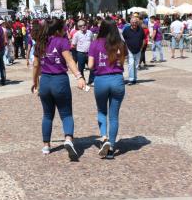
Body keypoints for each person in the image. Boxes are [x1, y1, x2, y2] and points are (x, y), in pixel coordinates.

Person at [31, 18, 86, 160]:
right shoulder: (62, 42)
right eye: (63, 28)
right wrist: (79, 77)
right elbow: (69, 60)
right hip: (60, 81)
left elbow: (36, 65)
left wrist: (35, 82)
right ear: (57, 30)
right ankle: (68, 138)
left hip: (45, 82)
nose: (65, 30)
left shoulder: (40, 43)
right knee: (66, 113)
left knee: (47, 115)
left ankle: (46, 145)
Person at [88, 18, 127, 160]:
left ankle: (104, 137)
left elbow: (91, 65)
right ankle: (111, 148)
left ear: (102, 29)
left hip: (101, 80)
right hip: (117, 79)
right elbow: (122, 61)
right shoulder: (120, 44)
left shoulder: (95, 44)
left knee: (101, 111)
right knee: (114, 116)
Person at [122, 16, 145, 85]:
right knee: (131, 64)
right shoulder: (126, 29)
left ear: (137, 23)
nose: (134, 24)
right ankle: (131, 79)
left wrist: (141, 48)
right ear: (130, 23)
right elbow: (123, 39)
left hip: (138, 49)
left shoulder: (141, 29)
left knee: (136, 65)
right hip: (129, 49)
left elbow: (143, 39)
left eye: (135, 22)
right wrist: (125, 47)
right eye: (133, 22)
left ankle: (134, 78)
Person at [71, 19, 94, 86]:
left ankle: (91, 81)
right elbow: (74, 45)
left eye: (84, 25)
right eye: (81, 26)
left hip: (89, 53)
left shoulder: (90, 32)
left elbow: (92, 41)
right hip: (80, 53)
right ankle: (83, 81)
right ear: (78, 27)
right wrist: (79, 50)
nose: (83, 27)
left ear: (86, 25)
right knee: (80, 69)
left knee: (92, 67)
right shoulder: (76, 34)